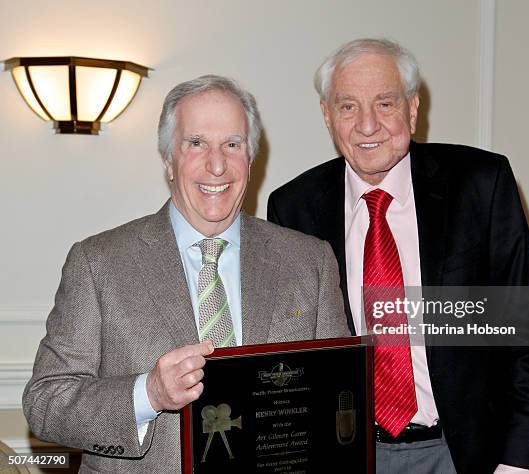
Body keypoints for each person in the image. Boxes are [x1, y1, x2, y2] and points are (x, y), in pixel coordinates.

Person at [23, 74, 349, 473]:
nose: (216, 165)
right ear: (168, 159)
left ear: (250, 158)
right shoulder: (98, 263)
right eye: (196, 143)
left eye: (233, 144)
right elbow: (46, 402)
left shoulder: (309, 261)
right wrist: (148, 393)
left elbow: (338, 397)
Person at [267, 39, 529, 474]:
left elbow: (527, 343)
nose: (368, 126)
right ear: (327, 115)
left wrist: (519, 467)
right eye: (348, 107)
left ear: (413, 109)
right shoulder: (293, 208)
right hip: (348, 453)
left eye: (385, 104)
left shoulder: (481, 186)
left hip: (464, 454)